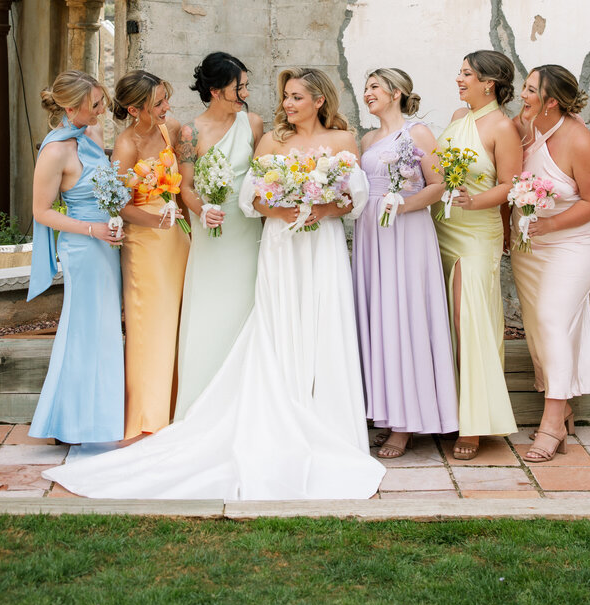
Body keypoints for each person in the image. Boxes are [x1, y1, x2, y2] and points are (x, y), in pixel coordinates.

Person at [44, 67, 384, 500]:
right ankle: (165, 414)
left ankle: (328, 417)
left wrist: (323, 209)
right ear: (218, 90)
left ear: (320, 100)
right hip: (273, 239)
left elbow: (356, 198)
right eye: (286, 96)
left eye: (296, 97)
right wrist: (277, 210)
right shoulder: (266, 139)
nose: (285, 103)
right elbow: (251, 196)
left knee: (324, 321)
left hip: (321, 246)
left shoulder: (338, 140)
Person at [352, 68, 458, 457]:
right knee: (381, 316)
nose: (367, 94)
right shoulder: (368, 138)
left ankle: (408, 423)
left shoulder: (418, 133)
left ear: (396, 93)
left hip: (406, 232)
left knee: (404, 314)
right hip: (372, 235)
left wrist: (401, 206)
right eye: (366, 88)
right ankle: (387, 412)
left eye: (374, 87)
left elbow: (438, 184)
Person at [510, 65, 590, 462]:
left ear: (552, 100)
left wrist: (548, 223)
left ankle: (551, 422)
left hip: (573, 244)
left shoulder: (579, 140)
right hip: (530, 249)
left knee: (552, 318)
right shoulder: (524, 126)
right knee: (539, 327)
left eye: (531, 90)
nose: (523, 94)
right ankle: (563, 408)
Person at [433, 51, 523, 459]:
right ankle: (446, 410)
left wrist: (477, 200)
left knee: (468, 318)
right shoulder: (457, 115)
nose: (458, 78)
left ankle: (476, 423)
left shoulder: (502, 127)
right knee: (443, 320)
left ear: (488, 82)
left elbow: (512, 184)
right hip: (442, 228)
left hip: (475, 232)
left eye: (466, 73)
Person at [28, 70, 124, 444]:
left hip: (106, 244)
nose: (102, 110)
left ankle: (96, 418)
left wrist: (111, 222)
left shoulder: (94, 135)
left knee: (103, 331)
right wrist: (92, 229)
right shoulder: (55, 151)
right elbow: (42, 212)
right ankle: (68, 423)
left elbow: (104, 192)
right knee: (83, 330)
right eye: (95, 104)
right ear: (71, 107)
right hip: (82, 249)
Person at [172, 52, 263, 418]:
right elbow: (185, 186)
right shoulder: (190, 133)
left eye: (244, 85)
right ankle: (202, 404)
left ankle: (248, 401)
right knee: (213, 310)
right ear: (215, 90)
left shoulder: (253, 124)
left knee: (248, 305)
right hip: (212, 233)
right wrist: (201, 209)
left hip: (247, 232)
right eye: (237, 86)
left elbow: (262, 175)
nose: (244, 91)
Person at [111, 71, 189, 439]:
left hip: (177, 242)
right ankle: (146, 418)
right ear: (133, 108)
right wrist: (157, 222)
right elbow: (121, 206)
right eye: (158, 102)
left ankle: (177, 409)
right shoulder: (125, 146)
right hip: (145, 244)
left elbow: (184, 180)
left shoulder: (168, 128)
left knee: (177, 322)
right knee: (150, 326)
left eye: (165, 99)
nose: (167, 107)